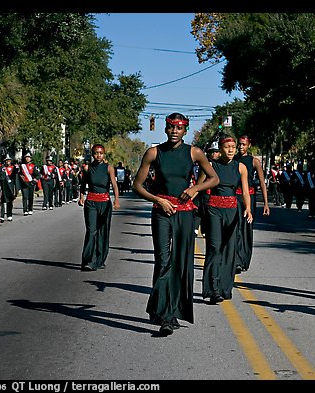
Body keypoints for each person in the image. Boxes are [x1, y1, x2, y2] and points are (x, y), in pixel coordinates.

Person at [132, 113, 219, 336]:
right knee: (163, 261)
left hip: (185, 214)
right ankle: (165, 314)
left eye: (179, 128)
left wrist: (194, 189)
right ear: (165, 128)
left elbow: (213, 178)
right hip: (161, 212)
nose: (174, 131)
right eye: (171, 127)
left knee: (181, 263)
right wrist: (158, 200)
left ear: (185, 130)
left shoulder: (194, 152)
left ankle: (172, 311)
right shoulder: (154, 153)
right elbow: (138, 186)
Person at [197, 135, 252, 303]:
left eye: (233, 147)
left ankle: (225, 288)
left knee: (229, 250)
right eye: (227, 147)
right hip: (214, 210)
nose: (230, 150)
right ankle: (212, 289)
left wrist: (248, 209)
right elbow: (198, 188)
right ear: (220, 149)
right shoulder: (211, 166)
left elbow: (244, 191)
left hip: (232, 211)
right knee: (214, 248)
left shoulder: (241, 167)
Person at [78, 144, 121, 272]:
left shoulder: (109, 168)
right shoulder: (87, 168)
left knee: (103, 231)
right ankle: (88, 260)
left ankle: (100, 259)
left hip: (105, 203)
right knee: (91, 231)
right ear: (92, 154)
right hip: (91, 202)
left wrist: (116, 200)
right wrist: (81, 197)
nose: (99, 155)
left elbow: (114, 184)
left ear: (104, 154)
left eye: (101, 153)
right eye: (96, 153)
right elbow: (83, 184)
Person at [233, 135, 270, 273]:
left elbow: (262, 182)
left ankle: (244, 260)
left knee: (247, 229)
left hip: (250, 196)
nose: (241, 147)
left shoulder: (254, 161)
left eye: (243, 144)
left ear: (249, 145)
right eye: (239, 144)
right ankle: (236, 260)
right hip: (235, 196)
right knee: (236, 228)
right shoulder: (234, 160)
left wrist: (266, 203)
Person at [0, 154, 18, 222]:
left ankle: (9, 214)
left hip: (10, 185)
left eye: (9, 160)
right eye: (7, 160)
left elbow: (14, 176)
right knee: (2, 200)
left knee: (10, 200)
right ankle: (1, 215)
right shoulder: (2, 168)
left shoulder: (13, 167)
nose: (8, 162)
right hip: (3, 185)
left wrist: (16, 169)